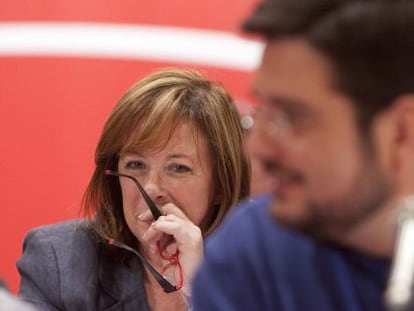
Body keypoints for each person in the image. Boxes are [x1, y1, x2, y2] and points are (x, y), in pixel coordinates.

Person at [192, 0, 414, 310]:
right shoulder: (253, 254)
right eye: (262, 112)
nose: (256, 148)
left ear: (400, 133)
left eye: (291, 118)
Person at [17, 68, 250, 310]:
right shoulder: (58, 260)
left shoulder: (260, 271)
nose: (151, 188)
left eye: (178, 168)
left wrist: (201, 292)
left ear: (221, 185)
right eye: (136, 164)